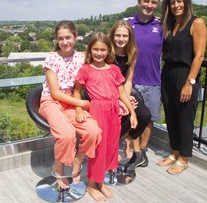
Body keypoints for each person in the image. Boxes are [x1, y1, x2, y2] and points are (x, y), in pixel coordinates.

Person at [73, 32, 137, 201]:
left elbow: (121, 92)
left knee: (110, 147)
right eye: (96, 49)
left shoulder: (114, 69)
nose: (99, 53)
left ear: (109, 50)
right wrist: (79, 110)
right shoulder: (86, 69)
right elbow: (77, 92)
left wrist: (132, 112)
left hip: (113, 111)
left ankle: (99, 182)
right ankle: (91, 184)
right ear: (90, 50)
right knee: (99, 149)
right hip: (97, 110)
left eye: (103, 49)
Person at [39, 20, 102, 189]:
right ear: (57, 40)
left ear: (75, 37)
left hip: (71, 103)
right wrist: (81, 103)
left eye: (68, 37)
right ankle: (58, 168)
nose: (65, 42)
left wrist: (118, 98)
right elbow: (55, 93)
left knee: (93, 131)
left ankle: (77, 162)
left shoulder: (81, 58)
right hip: (52, 102)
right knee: (66, 135)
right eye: (61, 38)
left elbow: (101, 71)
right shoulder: (52, 58)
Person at [157, 0, 207, 175]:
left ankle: (184, 158)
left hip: (186, 75)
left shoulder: (196, 23)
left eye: (179, 1)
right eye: (172, 2)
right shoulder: (169, 24)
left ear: (186, 2)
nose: (176, 5)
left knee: (185, 118)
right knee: (170, 115)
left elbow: (199, 56)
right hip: (168, 73)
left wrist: (189, 83)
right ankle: (174, 152)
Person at [125, 0, 164, 167]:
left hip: (153, 81)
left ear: (157, 5)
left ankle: (143, 150)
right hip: (129, 81)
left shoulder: (162, 26)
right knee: (131, 117)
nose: (149, 5)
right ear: (139, 1)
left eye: (153, 2)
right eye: (146, 1)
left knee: (148, 119)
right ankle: (134, 151)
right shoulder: (127, 24)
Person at [109, 20, 152, 170]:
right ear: (112, 36)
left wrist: (125, 99)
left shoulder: (132, 52)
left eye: (125, 36)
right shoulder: (107, 52)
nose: (121, 39)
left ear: (130, 37)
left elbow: (128, 80)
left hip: (122, 92)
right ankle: (110, 149)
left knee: (145, 115)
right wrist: (122, 101)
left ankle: (129, 138)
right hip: (106, 93)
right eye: (118, 35)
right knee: (122, 116)